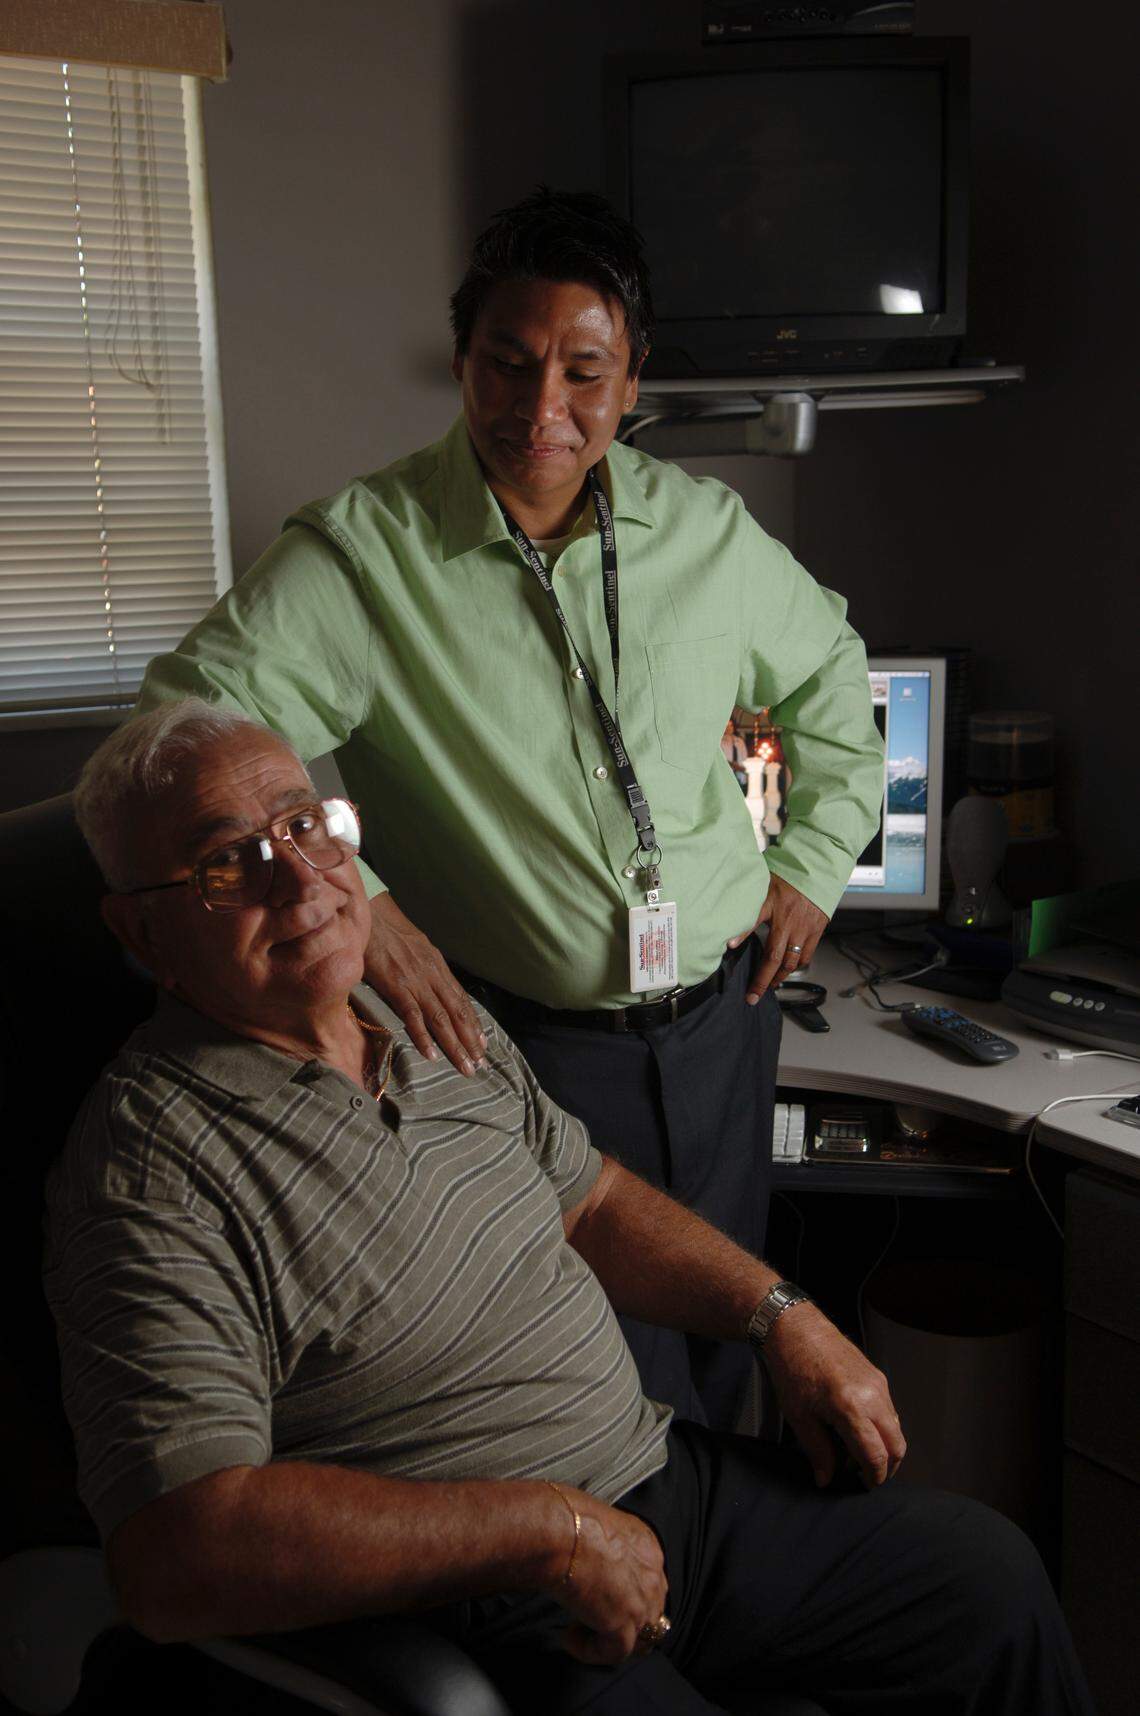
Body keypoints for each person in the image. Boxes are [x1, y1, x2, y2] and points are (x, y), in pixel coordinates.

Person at [45, 704, 1093, 1716]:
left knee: (986, 1585)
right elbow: (175, 1549)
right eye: (227, 862)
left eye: (304, 823)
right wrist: (549, 1534)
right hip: (481, 1593)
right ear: (140, 928)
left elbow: (585, 1198)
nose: (299, 879)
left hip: (653, 1481)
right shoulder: (152, 1169)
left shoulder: (414, 1013)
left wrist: (784, 1315)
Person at [135, 188, 885, 1431]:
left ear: (632, 379)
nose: (544, 410)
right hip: (524, 1055)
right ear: (464, 361)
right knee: (587, 1389)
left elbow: (830, 675)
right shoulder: (362, 557)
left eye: (585, 372)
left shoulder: (705, 529)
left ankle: (735, 1604)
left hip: (723, 1028)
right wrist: (357, 903)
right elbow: (185, 724)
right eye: (509, 364)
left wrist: (810, 859)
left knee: (742, 1339)